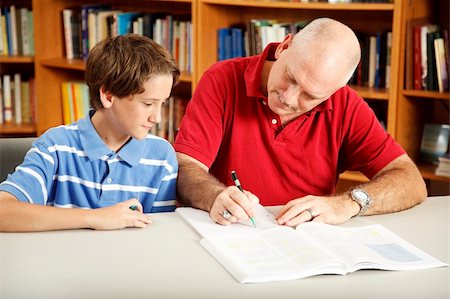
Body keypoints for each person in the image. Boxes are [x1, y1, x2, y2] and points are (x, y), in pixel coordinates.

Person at [174, 18, 427, 227]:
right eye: (290, 76)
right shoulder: (221, 80)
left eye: (310, 95)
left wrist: (349, 203)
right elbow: (185, 166)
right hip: (229, 232)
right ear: (284, 46)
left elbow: (410, 180)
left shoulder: (346, 104)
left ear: (334, 91)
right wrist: (216, 195)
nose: (288, 97)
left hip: (307, 243)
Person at [0, 34, 180, 232]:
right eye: (148, 104)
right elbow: (3, 211)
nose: (157, 118)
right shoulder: (55, 147)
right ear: (108, 96)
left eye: (162, 104)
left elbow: (161, 234)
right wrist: (96, 218)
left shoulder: (162, 156)